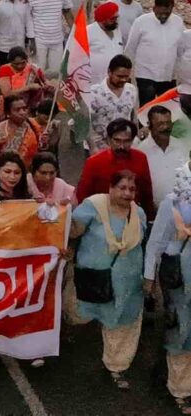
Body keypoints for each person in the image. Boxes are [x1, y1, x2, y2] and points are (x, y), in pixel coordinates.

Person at [70, 170, 147, 390]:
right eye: (122, 188)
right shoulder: (93, 206)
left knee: (124, 323)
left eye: (132, 189)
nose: (127, 193)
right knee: (78, 314)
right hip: (93, 279)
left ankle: (117, 367)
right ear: (111, 188)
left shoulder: (138, 213)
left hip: (128, 282)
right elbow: (73, 232)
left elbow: (144, 243)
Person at [144, 163, 191, 412]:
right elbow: (155, 244)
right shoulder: (172, 202)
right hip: (178, 276)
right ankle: (180, 390)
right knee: (180, 329)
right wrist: (149, 280)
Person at [76, 119, 155, 217]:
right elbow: (83, 196)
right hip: (101, 218)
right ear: (109, 140)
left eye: (126, 141)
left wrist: (150, 218)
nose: (121, 146)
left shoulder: (140, 158)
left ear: (132, 140)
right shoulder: (94, 162)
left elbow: (147, 193)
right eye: (117, 141)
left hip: (132, 217)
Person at [124, 0, 184, 105]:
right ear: (154, 8)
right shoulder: (141, 22)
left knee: (167, 109)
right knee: (147, 109)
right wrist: (126, 73)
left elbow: (181, 50)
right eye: (161, 13)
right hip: (146, 74)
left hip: (169, 75)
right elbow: (130, 48)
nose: (164, 16)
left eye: (167, 13)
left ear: (172, 9)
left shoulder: (178, 22)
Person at [85, 55, 138, 155]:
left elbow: (132, 115)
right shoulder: (94, 93)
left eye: (126, 77)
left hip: (123, 148)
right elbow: (84, 122)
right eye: (119, 76)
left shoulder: (131, 90)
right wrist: (93, 147)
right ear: (109, 72)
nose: (123, 80)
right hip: (98, 149)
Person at [136, 103, 186, 206]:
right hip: (153, 213)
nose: (166, 127)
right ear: (149, 125)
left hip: (183, 210)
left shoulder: (181, 146)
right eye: (160, 124)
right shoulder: (141, 152)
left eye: (168, 123)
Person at [25, 0, 72, 75]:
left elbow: (67, 12)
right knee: (38, 71)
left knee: (55, 71)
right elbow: (28, 20)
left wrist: (74, 30)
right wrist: (31, 40)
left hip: (57, 39)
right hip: (39, 40)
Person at [0, 94, 42, 169]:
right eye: (17, 110)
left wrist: (44, 140)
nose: (22, 112)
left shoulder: (33, 125)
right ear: (8, 113)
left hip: (29, 171)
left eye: (24, 109)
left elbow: (40, 146)